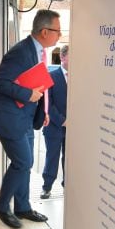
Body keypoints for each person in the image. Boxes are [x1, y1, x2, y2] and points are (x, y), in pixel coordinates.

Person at [0, 9, 62, 229]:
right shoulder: (21, 52)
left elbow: (36, 83)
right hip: (9, 117)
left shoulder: (39, 51)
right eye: (57, 31)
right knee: (23, 162)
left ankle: (22, 207)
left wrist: (45, 111)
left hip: (26, 117)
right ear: (44, 31)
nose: (59, 35)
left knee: (24, 164)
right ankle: (2, 206)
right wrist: (27, 95)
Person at [41, 45, 68, 199]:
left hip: (72, 128)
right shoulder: (51, 76)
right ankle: (47, 187)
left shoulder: (79, 77)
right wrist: (62, 121)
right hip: (54, 126)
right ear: (63, 57)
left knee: (69, 158)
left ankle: (68, 186)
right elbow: (47, 103)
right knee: (52, 157)